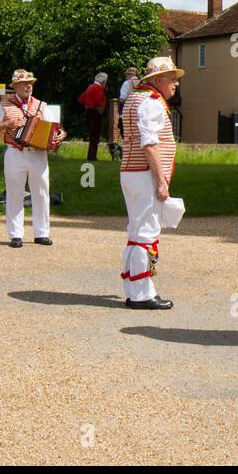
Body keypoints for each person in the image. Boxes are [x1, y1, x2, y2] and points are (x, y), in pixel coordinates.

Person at [119, 56, 183, 310]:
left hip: (131, 171)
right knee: (146, 233)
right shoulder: (153, 103)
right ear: (157, 80)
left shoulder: (135, 98)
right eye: (171, 78)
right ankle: (143, 293)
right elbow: (149, 144)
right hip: (144, 173)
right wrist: (160, 180)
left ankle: (134, 289)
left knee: (137, 232)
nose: (175, 84)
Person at [0, 69, 65, 248]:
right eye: (25, 83)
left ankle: (42, 233)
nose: (29, 85)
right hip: (15, 152)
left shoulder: (41, 105)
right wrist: (7, 124)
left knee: (42, 193)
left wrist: (61, 134)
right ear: (15, 86)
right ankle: (15, 235)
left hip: (38, 154)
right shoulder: (4, 105)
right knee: (15, 194)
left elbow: (56, 128)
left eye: (31, 82)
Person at [78, 72, 108, 162]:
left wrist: (88, 104)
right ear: (104, 81)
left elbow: (81, 99)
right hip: (95, 113)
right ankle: (92, 157)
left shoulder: (90, 87)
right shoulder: (99, 88)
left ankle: (90, 156)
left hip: (88, 112)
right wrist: (100, 110)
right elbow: (99, 102)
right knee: (95, 136)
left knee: (92, 136)